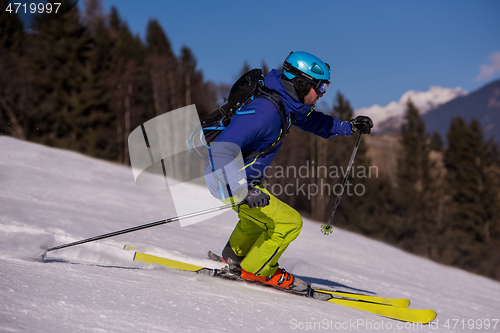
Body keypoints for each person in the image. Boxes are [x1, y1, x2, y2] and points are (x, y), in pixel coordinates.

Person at [206, 51, 373, 291]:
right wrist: (243, 190)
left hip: (244, 181)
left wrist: (349, 127)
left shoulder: (285, 104)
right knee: (289, 222)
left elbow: (314, 122)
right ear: (302, 84)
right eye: (321, 87)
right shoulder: (265, 112)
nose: (322, 94)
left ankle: (233, 259)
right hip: (227, 179)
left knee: (256, 219)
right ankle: (258, 270)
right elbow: (221, 149)